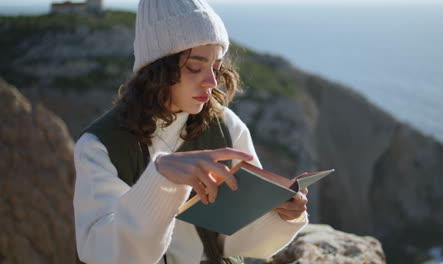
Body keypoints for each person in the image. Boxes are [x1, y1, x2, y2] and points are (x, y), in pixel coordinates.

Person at [73, 0, 309, 263]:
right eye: (195, 67)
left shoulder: (226, 125)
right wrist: (160, 180)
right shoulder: (99, 145)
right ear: (156, 71)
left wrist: (283, 214)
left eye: (216, 68)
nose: (210, 82)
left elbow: (236, 238)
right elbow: (102, 252)